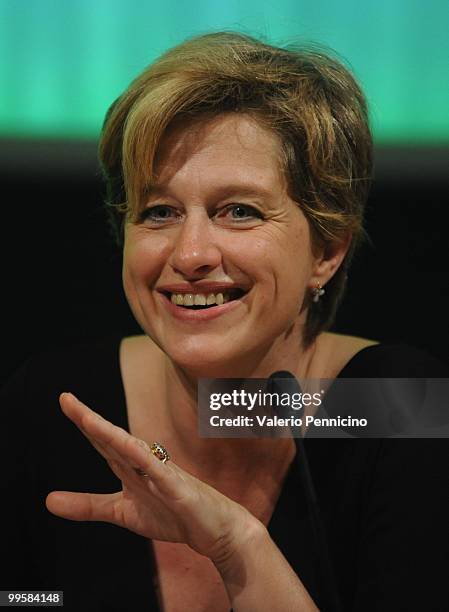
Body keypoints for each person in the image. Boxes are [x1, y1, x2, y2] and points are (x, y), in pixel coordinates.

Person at [1, 32, 448, 612]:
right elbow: (20, 595)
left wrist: (238, 548)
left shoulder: (397, 407)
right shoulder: (51, 404)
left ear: (327, 250)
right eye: (159, 212)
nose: (190, 256)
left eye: (239, 211)